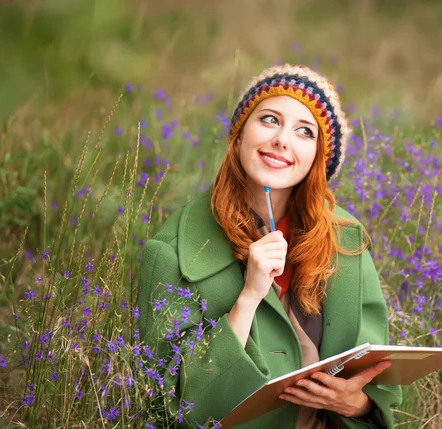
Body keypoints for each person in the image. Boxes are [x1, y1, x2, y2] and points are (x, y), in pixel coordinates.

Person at [138, 64, 402, 428]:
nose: (282, 140)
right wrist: (248, 296)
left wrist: (355, 404)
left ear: (318, 159)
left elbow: (379, 389)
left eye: (304, 131)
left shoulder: (347, 241)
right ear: (240, 133)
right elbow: (173, 409)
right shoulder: (172, 252)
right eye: (269, 119)